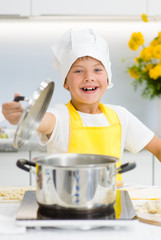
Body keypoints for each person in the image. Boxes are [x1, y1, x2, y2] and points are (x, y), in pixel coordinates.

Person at [2, 28, 161, 184]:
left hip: (112, 202)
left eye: (97, 69)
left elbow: (158, 148)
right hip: (66, 202)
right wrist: (25, 116)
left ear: (107, 79)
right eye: (78, 71)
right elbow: (44, 121)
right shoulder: (61, 116)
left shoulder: (121, 116)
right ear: (65, 82)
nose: (89, 77)